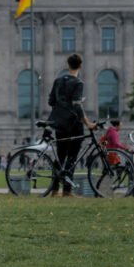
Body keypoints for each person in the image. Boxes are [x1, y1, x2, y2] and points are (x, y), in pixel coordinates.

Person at [47, 53, 97, 197]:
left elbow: (51, 101)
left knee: (60, 156)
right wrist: (88, 123)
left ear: (68, 65)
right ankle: (67, 191)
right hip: (74, 124)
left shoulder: (57, 81)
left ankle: (54, 189)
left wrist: (61, 108)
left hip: (59, 124)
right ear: (80, 66)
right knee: (72, 157)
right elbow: (76, 105)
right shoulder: (78, 83)